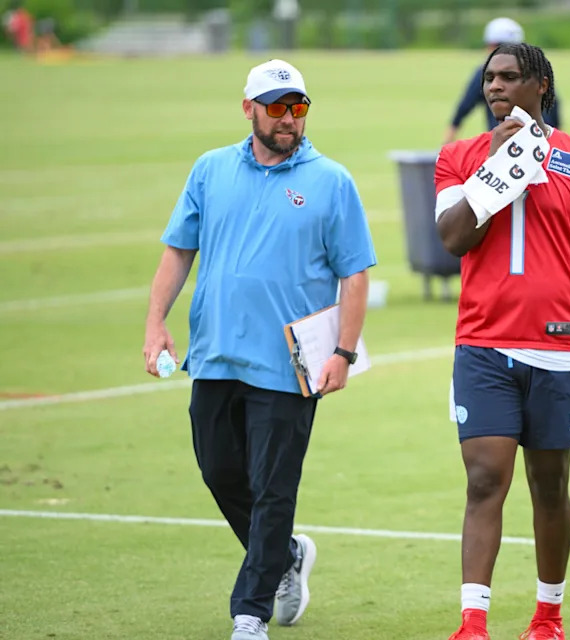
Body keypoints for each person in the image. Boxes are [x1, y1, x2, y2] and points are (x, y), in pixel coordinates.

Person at [142, 59, 377, 640]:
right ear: (248, 108)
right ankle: (286, 555)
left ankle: (250, 614)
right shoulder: (210, 169)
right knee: (220, 470)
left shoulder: (331, 180)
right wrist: (156, 324)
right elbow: (178, 250)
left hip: (292, 367)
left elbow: (355, 274)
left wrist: (343, 354)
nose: (288, 119)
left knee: (275, 487)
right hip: (217, 354)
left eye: (297, 107)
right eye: (275, 107)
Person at [434, 43, 570, 640]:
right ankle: (473, 622)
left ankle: (548, 616)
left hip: (562, 349)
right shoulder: (457, 157)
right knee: (484, 479)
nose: (494, 87)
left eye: (509, 77)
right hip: (484, 345)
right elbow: (451, 238)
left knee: (550, 487)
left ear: (540, 84)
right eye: (489, 78)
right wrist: (495, 168)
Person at [443, 17, 561, 145]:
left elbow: (463, 109)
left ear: (492, 46)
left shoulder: (483, 73)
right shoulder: (538, 74)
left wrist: (446, 144)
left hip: (503, 146)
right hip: (543, 146)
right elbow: (555, 116)